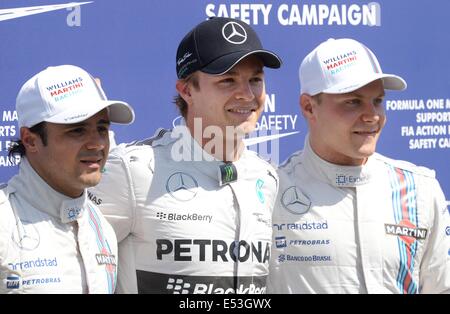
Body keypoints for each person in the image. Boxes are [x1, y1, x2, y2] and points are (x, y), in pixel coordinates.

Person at [89, 17, 282, 294]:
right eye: (228, 81)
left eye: (255, 80)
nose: (247, 94)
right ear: (187, 90)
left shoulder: (266, 176)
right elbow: (73, 262)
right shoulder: (134, 170)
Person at [268, 38, 450, 294]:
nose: (372, 116)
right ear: (309, 107)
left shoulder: (420, 189)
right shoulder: (270, 192)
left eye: (377, 101)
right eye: (352, 102)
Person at [0, 65, 135, 293]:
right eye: (77, 130)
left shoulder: (100, 226)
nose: (97, 144)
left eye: (101, 129)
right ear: (30, 140)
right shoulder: (4, 221)